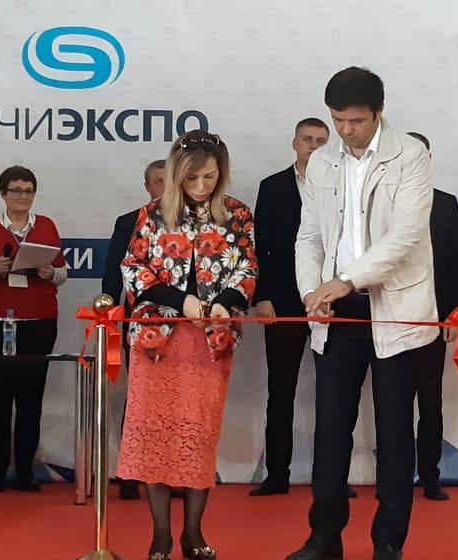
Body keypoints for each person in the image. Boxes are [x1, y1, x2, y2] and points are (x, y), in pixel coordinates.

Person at [287, 67, 436, 560]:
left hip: (394, 308)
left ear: (379, 112)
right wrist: (313, 292)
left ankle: (388, 542)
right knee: (331, 431)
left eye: (355, 121)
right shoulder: (322, 162)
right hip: (336, 313)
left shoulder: (410, 155)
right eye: (338, 120)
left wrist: (347, 279)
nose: (346, 130)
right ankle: (324, 538)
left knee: (394, 434)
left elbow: (406, 236)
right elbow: (309, 235)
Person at [116, 130, 257, 560]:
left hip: (209, 343)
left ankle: (192, 533)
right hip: (157, 342)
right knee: (155, 438)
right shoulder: (152, 214)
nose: (200, 186)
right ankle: (160, 535)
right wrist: (182, 301)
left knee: (198, 436)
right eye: (192, 178)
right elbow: (134, 268)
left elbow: (247, 268)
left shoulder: (237, 214)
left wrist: (226, 302)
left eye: (209, 177)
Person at [0, 165, 69, 492]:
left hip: (39, 322)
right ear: (3, 194)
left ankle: (25, 471)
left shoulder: (46, 226)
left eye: (28, 191)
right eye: (16, 190)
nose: (23, 196)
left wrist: (50, 273)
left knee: (31, 399)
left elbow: (63, 274)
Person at [249, 118, 330, 497]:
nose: (313, 146)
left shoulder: (342, 183)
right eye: (307, 140)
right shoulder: (272, 187)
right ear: (294, 143)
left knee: (334, 394)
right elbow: (260, 245)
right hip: (281, 302)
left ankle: (331, 477)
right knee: (280, 391)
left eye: (321, 141)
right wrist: (261, 295)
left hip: (330, 302)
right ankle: (277, 474)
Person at [406, 132, 458, 501]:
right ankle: (393, 477)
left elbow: (453, 262)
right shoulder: (379, 201)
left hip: (433, 319)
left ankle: (430, 475)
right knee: (393, 406)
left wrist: (453, 313)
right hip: (389, 321)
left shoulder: (445, 204)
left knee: (431, 403)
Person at [103, 159, 166, 500]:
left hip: (182, 324)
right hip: (138, 323)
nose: (165, 188)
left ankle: (171, 473)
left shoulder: (194, 223)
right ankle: (131, 470)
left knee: (174, 402)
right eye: (158, 181)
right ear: (147, 186)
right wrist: (110, 314)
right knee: (140, 397)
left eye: (170, 180)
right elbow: (114, 274)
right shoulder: (128, 222)